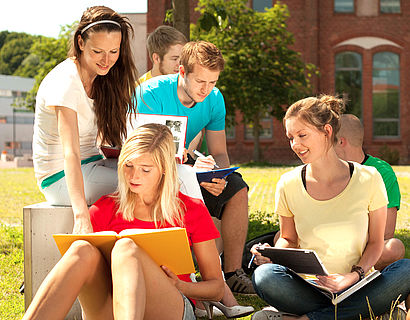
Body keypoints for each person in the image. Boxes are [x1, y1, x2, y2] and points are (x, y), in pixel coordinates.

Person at [23, 123, 225, 320]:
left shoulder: (190, 209)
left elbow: (216, 289)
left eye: (145, 169)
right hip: (112, 307)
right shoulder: (105, 209)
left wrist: (180, 286)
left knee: (125, 247)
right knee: (80, 249)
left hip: (169, 307)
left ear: (164, 169)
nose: (134, 176)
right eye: (128, 165)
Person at [250, 95, 410, 320]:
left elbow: (376, 243)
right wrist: (272, 255)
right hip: (310, 289)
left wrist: (352, 276)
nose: (295, 145)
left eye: (302, 135)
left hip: (358, 284)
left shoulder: (369, 178)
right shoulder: (288, 183)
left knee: (406, 270)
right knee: (265, 276)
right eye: (291, 138)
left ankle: (307, 318)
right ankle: (358, 315)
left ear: (327, 131)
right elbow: (288, 238)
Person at [136, 40, 254, 295]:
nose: (206, 89)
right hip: (151, 166)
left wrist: (218, 174)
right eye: (201, 81)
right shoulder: (151, 93)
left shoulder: (214, 98)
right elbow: (145, 151)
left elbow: (220, 152)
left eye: (213, 82)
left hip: (188, 166)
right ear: (181, 72)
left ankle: (232, 273)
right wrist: (191, 166)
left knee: (237, 188)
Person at [32, 6, 138, 234]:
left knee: (161, 173)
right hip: (59, 178)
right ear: (81, 43)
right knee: (145, 186)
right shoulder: (65, 81)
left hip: (93, 163)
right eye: (98, 51)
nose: (107, 60)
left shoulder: (102, 79)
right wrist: (81, 216)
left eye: (114, 51)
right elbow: (71, 153)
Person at [335, 114, 405, 270]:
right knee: (280, 236)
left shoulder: (382, 172)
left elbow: (386, 234)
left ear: (340, 141)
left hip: (364, 249)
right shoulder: (327, 170)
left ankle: (347, 269)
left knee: (394, 247)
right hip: (327, 244)